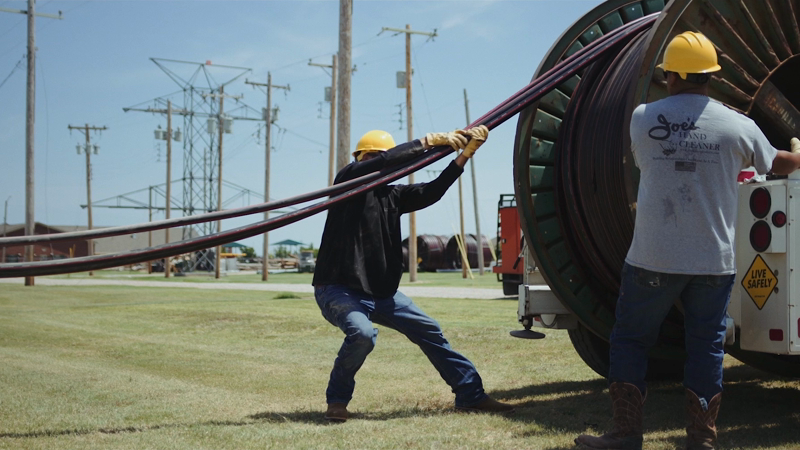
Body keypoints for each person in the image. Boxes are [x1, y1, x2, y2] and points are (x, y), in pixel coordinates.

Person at [575, 31, 800, 450]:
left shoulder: (643, 118)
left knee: (630, 339)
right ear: (712, 75)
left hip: (653, 259)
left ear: (671, 75)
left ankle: (626, 435)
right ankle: (702, 440)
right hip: (713, 263)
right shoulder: (739, 126)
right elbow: (778, 162)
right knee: (706, 347)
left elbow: (647, 162)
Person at [312, 126, 514, 422]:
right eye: (369, 156)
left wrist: (464, 155)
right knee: (363, 334)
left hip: (381, 292)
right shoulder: (347, 182)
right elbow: (385, 161)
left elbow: (432, 190)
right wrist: (429, 141)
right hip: (341, 289)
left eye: (378, 156)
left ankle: (470, 395)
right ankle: (338, 400)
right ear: (358, 159)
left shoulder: (393, 196)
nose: (375, 161)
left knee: (429, 329)